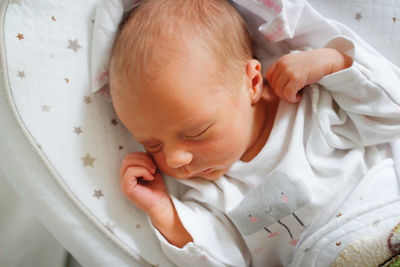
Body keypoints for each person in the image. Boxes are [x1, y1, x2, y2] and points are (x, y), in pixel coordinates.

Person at [109, 0, 400, 266]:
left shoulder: (306, 106)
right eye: (152, 144)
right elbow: (225, 260)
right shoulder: (208, 192)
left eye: (196, 132)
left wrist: (334, 65)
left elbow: (390, 115)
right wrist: (163, 210)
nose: (175, 159)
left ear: (252, 82)